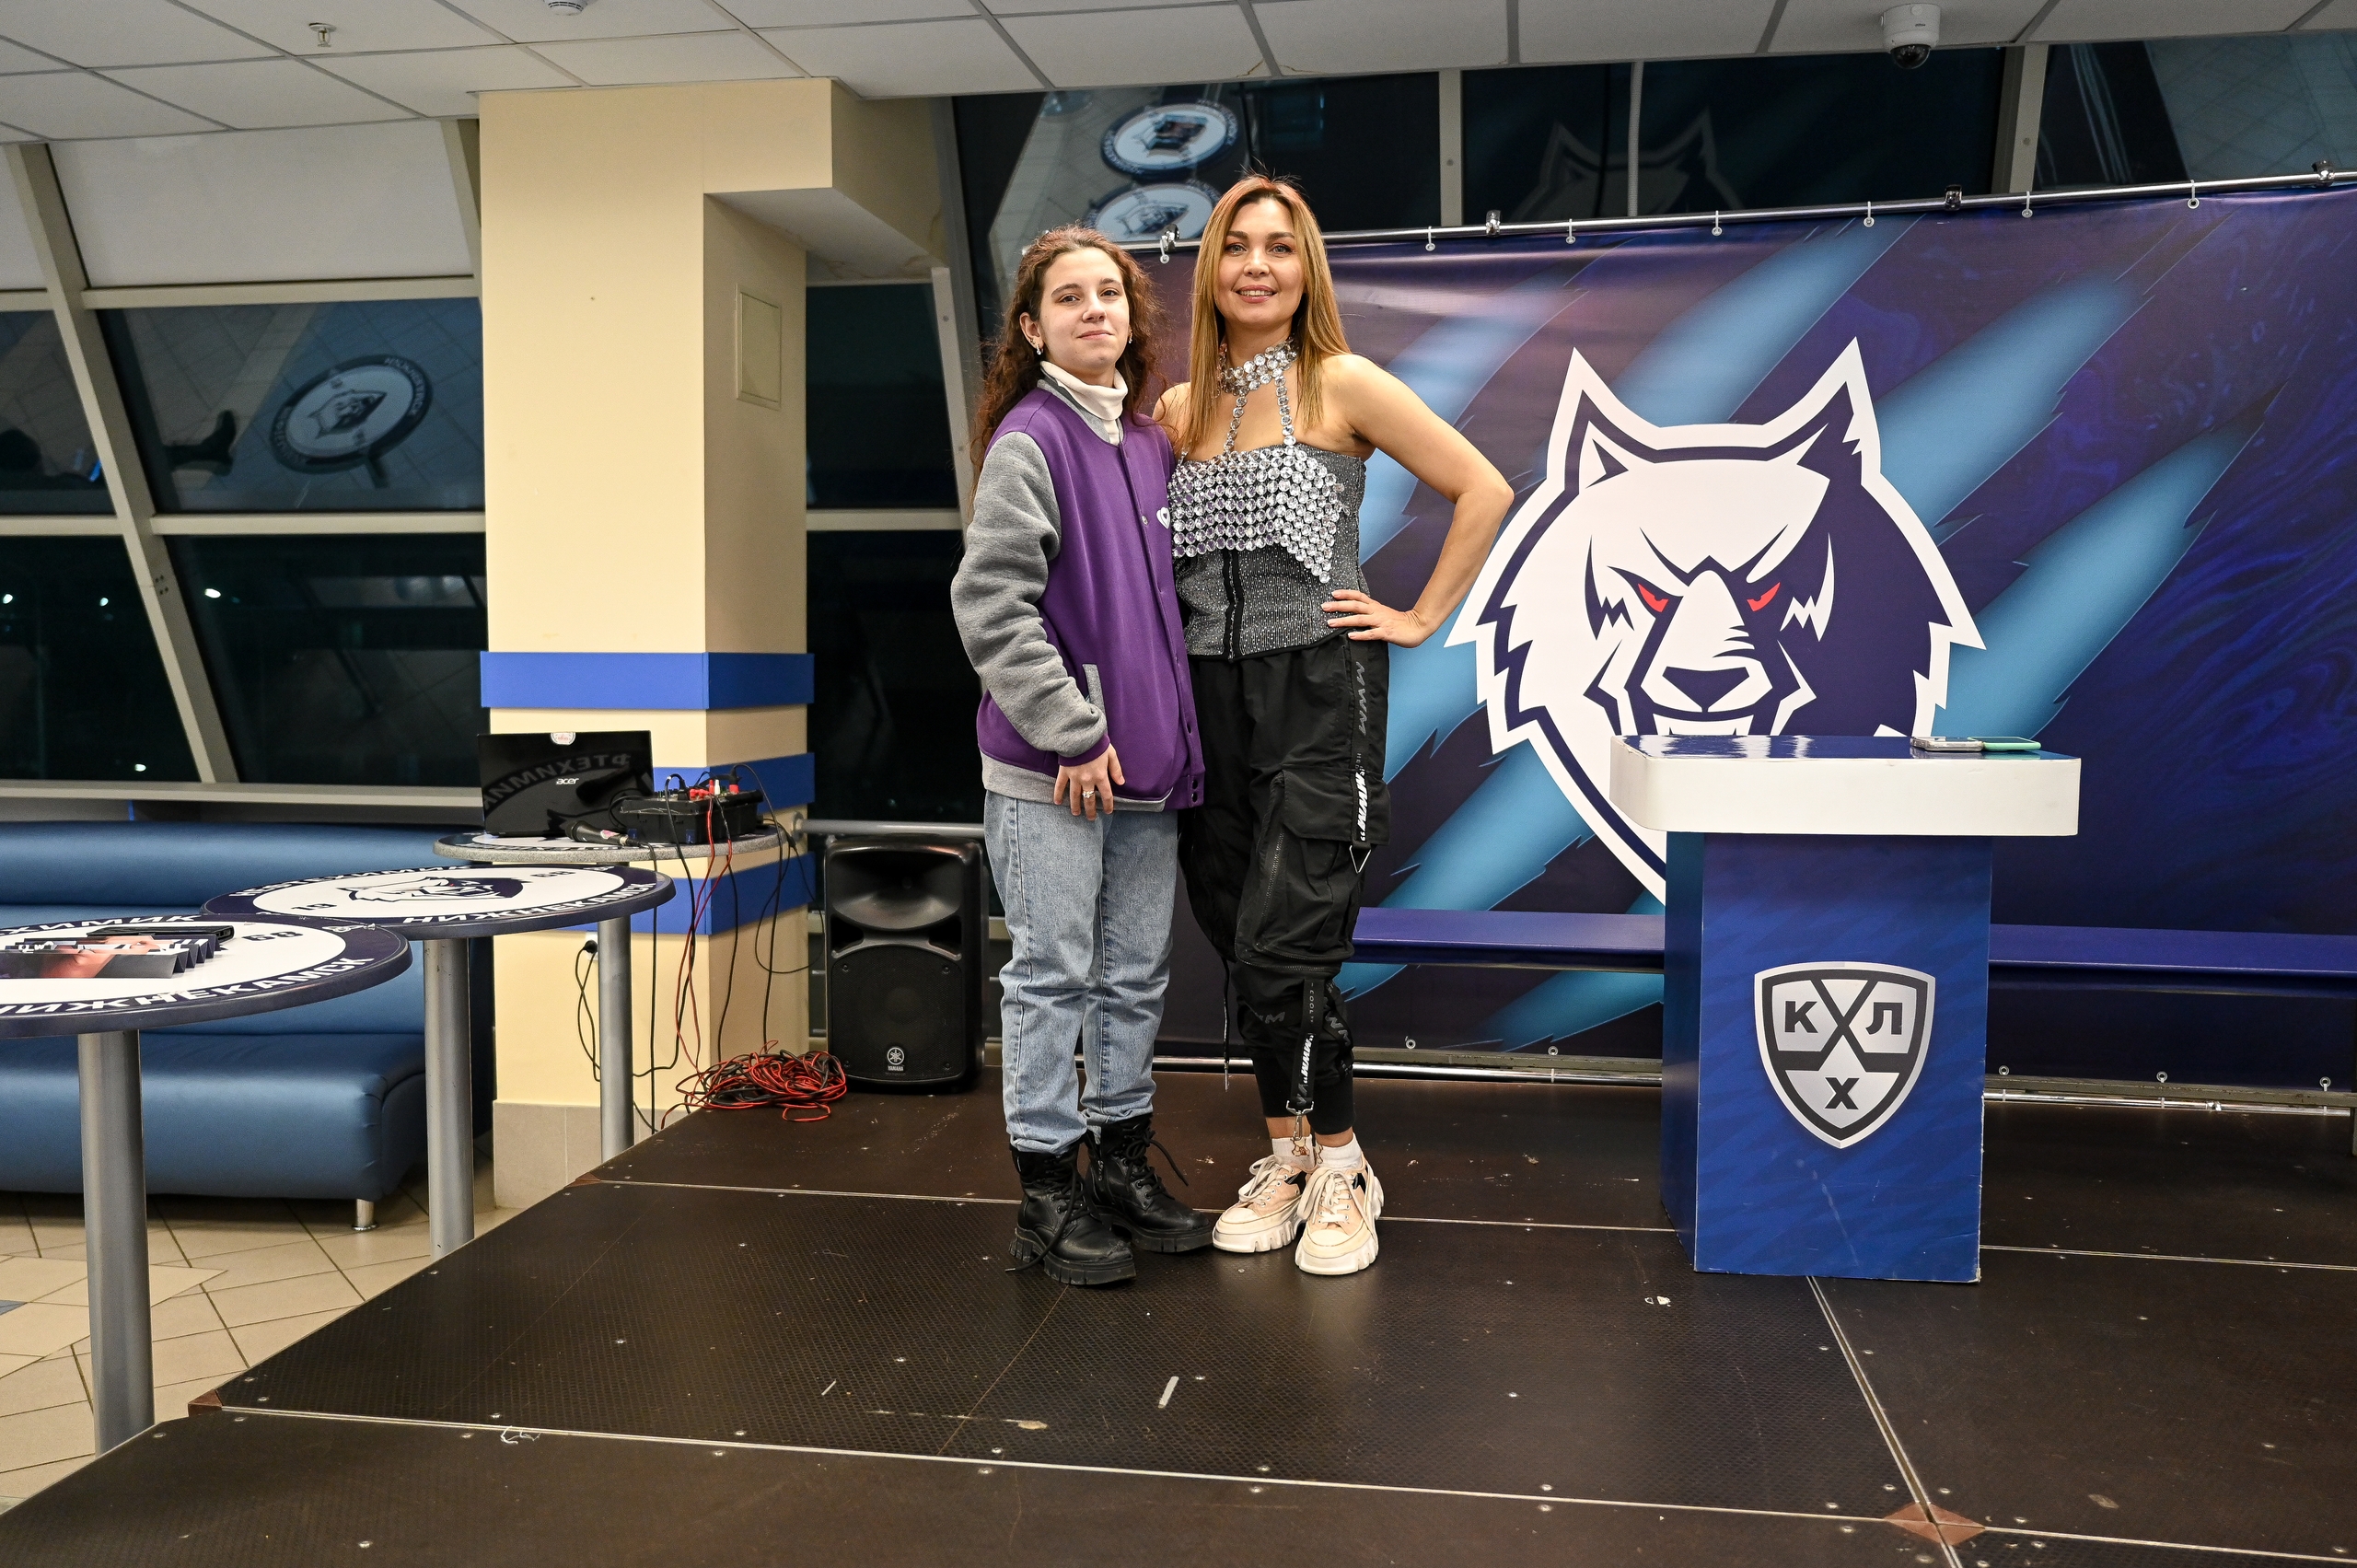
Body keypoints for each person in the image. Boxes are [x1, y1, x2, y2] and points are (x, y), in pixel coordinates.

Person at [1158, 177, 1514, 1276]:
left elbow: (1482, 488)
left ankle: (1346, 1162)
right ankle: (1288, 1155)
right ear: (1211, 268)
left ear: (1306, 270)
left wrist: (1418, 616)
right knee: (1237, 938)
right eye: (1237, 246)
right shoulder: (1175, 410)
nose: (1257, 266)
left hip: (1319, 685)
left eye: (1280, 247)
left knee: (1287, 944)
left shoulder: (1340, 381)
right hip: (1205, 699)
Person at [951, 226, 1213, 1287]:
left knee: (1134, 976)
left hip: (1145, 772)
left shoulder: (1147, 443)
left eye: (1109, 293)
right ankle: (1047, 1196)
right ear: (1032, 327)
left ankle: (1118, 1166)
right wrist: (1074, 728)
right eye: (1068, 297)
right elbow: (992, 604)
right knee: (1051, 975)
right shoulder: (1033, 438)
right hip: (1056, 772)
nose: (1094, 309)